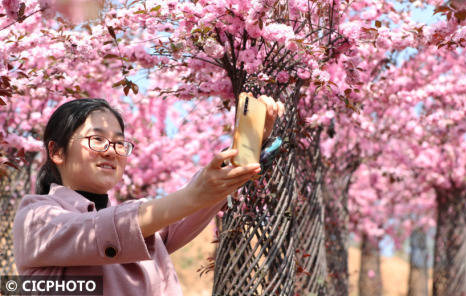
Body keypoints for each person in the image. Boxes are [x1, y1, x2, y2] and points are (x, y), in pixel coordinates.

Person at [13, 97, 284, 295]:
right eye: (97, 140)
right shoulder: (36, 217)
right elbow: (95, 230)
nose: (111, 151)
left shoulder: (143, 222)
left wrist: (245, 148)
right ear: (57, 151)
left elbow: (190, 204)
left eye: (119, 143)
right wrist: (194, 194)